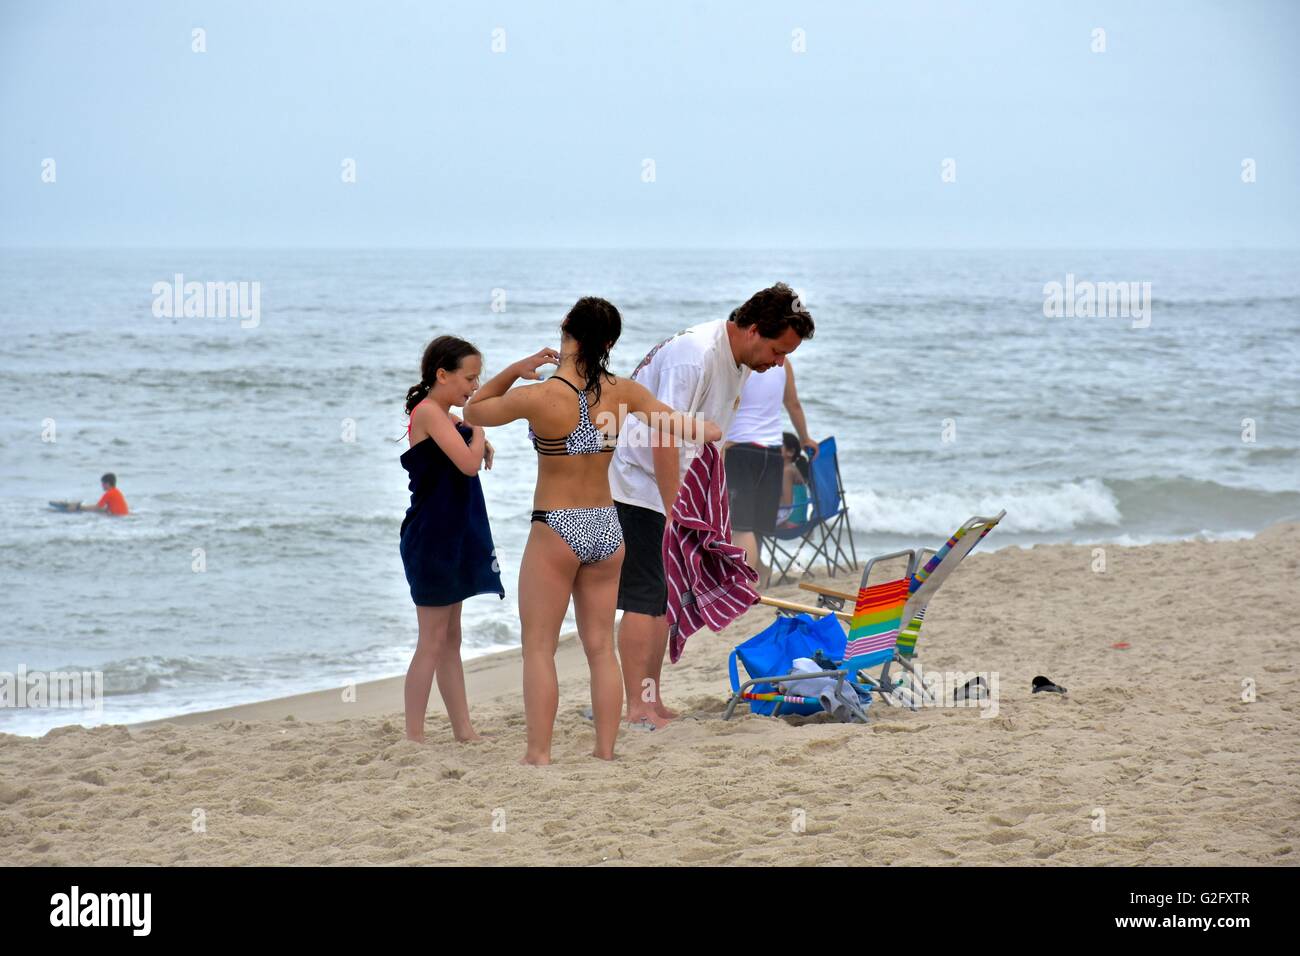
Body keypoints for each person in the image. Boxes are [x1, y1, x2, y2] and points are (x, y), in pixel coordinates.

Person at [464, 297, 720, 764]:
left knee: (539, 648)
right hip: (607, 526)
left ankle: (539, 755)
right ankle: (605, 751)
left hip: (556, 526)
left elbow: (473, 410)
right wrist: (713, 428)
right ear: (608, 343)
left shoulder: (539, 395)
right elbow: (684, 426)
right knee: (601, 648)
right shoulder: (623, 393)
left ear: (566, 327)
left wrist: (515, 370)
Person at [609, 283, 815, 728]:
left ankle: (653, 699)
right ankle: (637, 707)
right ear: (755, 330)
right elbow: (664, 432)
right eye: (779, 351)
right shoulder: (696, 355)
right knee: (645, 598)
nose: (779, 364)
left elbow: (710, 436)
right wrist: (674, 511)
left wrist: (706, 503)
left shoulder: (739, 361)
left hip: (673, 488)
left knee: (668, 597)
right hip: (635, 483)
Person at [399, 335, 504, 744]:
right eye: (470, 379)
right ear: (442, 375)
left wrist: (476, 433)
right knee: (431, 640)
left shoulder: (444, 415)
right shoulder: (428, 411)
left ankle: (464, 730)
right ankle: (414, 737)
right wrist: (479, 426)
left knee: (451, 638)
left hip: (453, 536)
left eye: (478, 380)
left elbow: (466, 447)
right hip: (433, 540)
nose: (474, 388)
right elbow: (467, 463)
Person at [722, 358, 819, 581]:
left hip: (741, 448)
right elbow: (793, 403)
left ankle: (742, 586)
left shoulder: (740, 360)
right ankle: (757, 574)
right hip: (773, 453)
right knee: (754, 527)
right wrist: (805, 438)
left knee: (741, 526)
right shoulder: (783, 363)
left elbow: (724, 402)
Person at [776, 432, 812, 528]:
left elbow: (787, 505)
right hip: (797, 519)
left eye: (778, 446)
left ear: (790, 452)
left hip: (790, 522)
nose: (772, 449)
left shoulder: (787, 471)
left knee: (746, 521)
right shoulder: (790, 468)